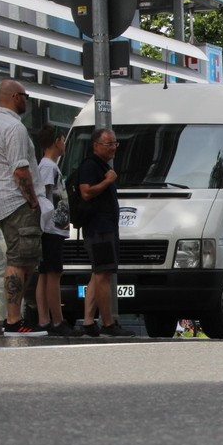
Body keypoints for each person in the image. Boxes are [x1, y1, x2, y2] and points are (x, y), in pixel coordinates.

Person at [0, 79, 46, 335]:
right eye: (26, 96)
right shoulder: (14, 128)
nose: (27, 101)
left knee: (25, 257)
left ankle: (14, 318)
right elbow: (20, 170)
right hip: (16, 201)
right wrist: (32, 200)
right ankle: (13, 321)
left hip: (1, 201)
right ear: (16, 97)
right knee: (20, 258)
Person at [77, 128, 135, 337]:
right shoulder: (91, 165)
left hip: (106, 226)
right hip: (99, 228)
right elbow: (85, 192)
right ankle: (108, 323)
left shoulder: (102, 165)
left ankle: (89, 321)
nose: (113, 148)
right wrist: (107, 181)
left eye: (115, 144)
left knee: (98, 273)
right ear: (96, 146)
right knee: (103, 274)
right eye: (108, 144)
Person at [34, 125, 74, 336]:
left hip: (51, 228)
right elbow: (45, 196)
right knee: (53, 273)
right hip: (51, 229)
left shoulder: (48, 166)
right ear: (58, 141)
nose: (64, 144)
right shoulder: (48, 167)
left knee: (45, 273)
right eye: (63, 140)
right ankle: (57, 321)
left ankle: (44, 320)